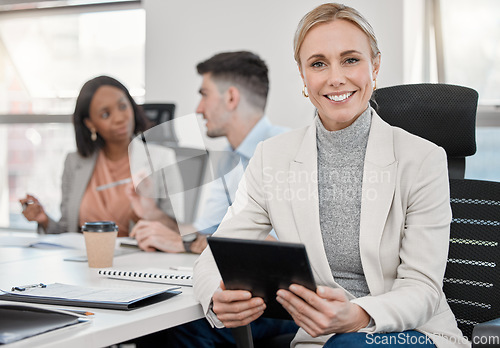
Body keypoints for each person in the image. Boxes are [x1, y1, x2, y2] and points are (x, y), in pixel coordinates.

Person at [193, 3, 469, 348]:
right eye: (318, 63)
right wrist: (216, 300)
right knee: (185, 328)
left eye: (351, 59)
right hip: (319, 336)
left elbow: (422, 288)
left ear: (375, 65)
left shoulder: (423, 159)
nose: (335, 77)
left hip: (410, 332)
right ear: (303, 75)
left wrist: (359, 316)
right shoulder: (272, 157)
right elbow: (214, 256)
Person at [129, 51, 288, 253]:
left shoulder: (286, 151)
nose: (198, 109)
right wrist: (153, 213)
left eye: (205, 95)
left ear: (231, 98)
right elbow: (205, 231)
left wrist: (186, 244)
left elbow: (280, 248)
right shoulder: (228, 158)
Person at [20, 75, 179, 237]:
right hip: (85, 258)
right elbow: (67, 231)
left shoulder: (162, 159)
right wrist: (43, 219)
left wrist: (148, 213)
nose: (119, 118)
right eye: (105, 114)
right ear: (90, 123)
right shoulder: (74, 162)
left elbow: (178, 230)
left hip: (137, 258)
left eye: (123, 107)